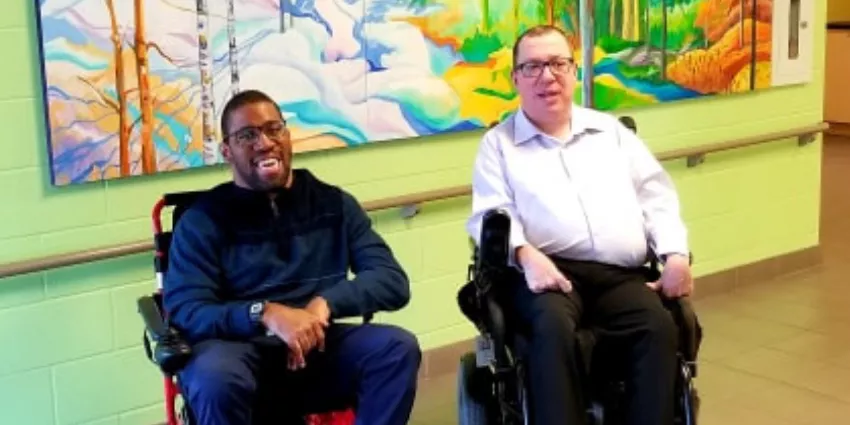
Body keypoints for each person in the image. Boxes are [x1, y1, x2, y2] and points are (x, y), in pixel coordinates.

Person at [466, 25, 693, 425]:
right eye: (532, 66)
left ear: (574, 71)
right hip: (544, 275)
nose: (546, 76)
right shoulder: (498, 145)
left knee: (657, 325)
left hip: (619, 275)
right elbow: (490, 213)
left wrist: (675, 255)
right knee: (550, 329)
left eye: (557, 63)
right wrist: (525, 254)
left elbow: (656, 195)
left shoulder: (611, 133)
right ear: (515, 78)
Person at [163, 89, 421, 425]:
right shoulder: (202, 221)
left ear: (287, 136)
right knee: (214, 378)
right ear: (226, 150)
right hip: (239, 354)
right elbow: (186, 310)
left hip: (318, 352)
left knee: (396, 349)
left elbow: (391, 281)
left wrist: (324, 304)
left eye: (274, 129)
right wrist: (264, 314)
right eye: (248, 135)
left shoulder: (333, 204)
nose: (265, 142)